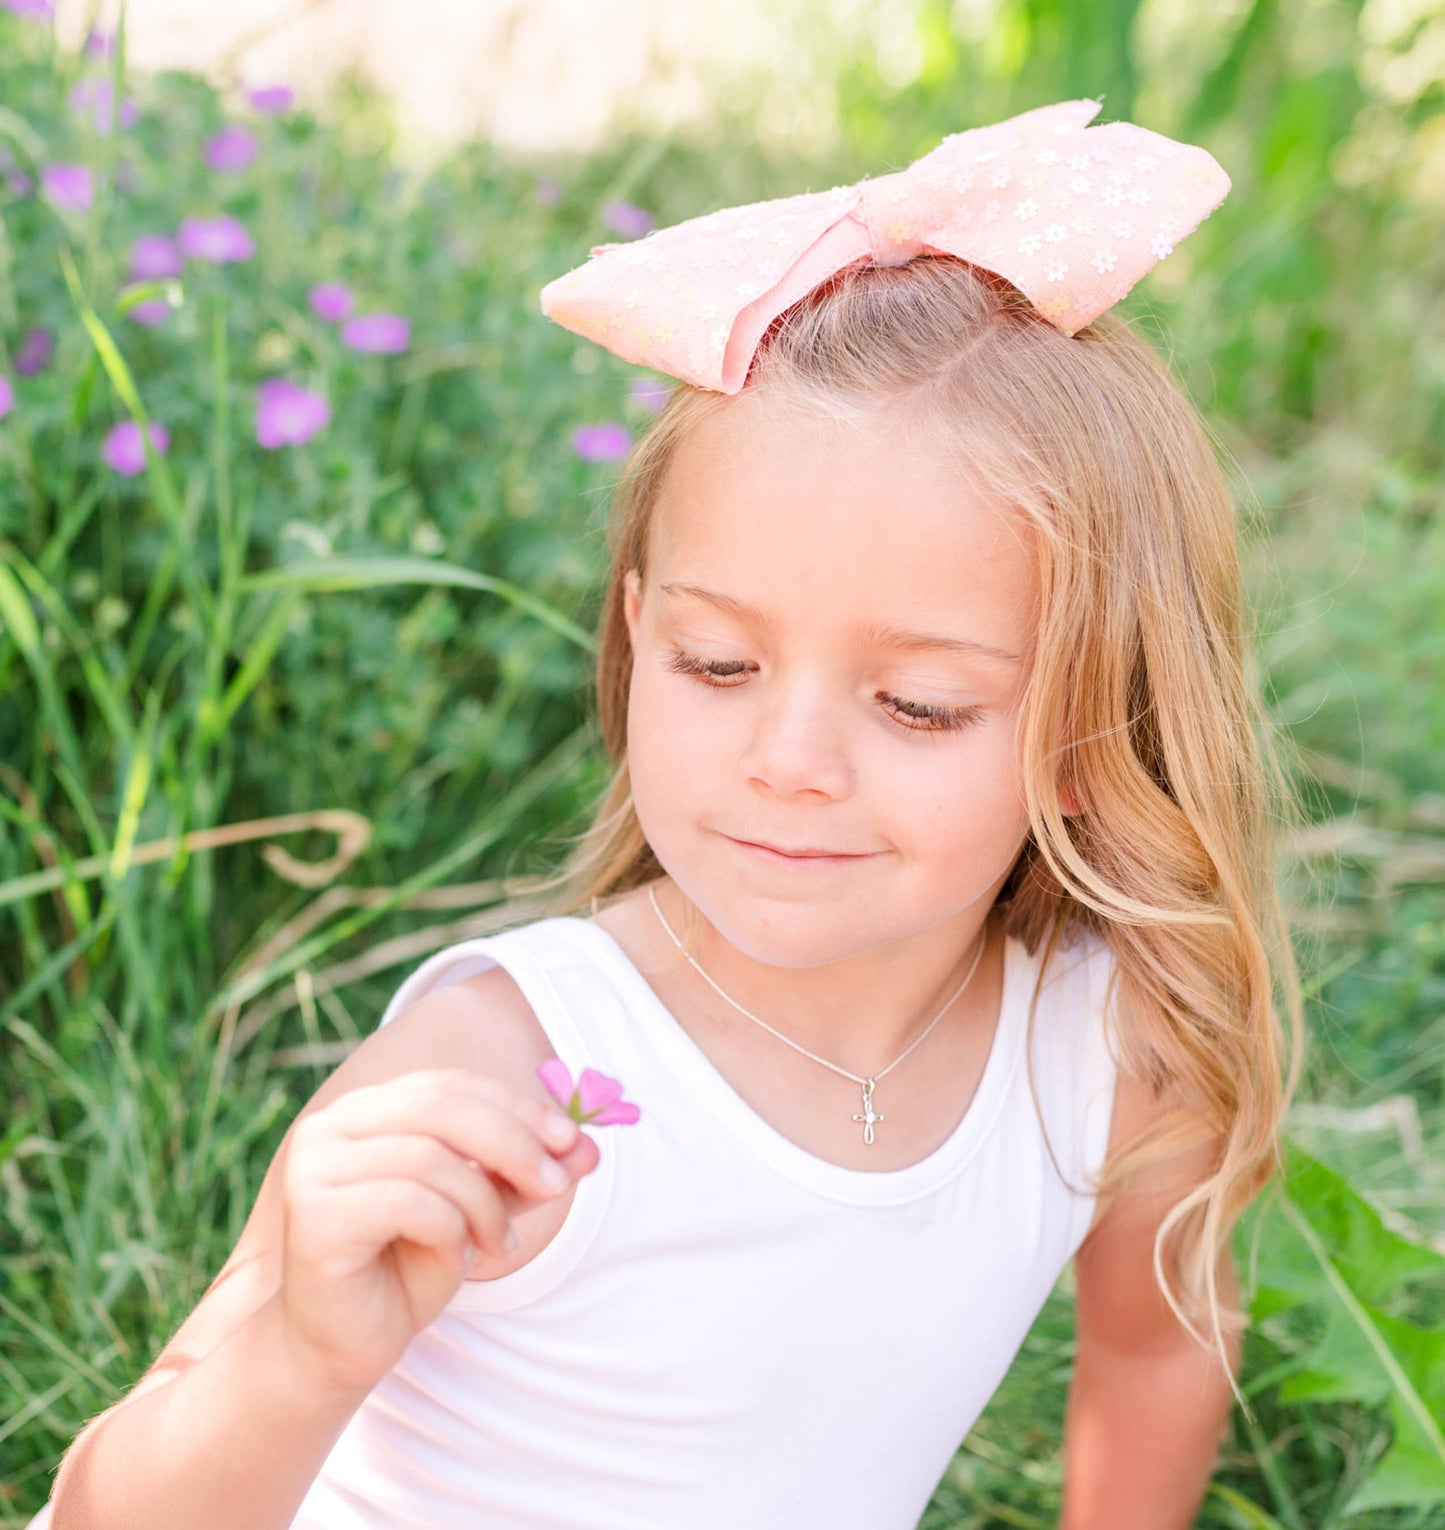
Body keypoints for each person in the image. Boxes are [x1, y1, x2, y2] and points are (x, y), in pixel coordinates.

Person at [44, 99, 1303, 1530]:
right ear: (638, 634)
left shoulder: (1106, 1056)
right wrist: (291, 1353)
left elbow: (1153, 1351)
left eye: (917, 704)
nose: (787, 757)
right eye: (717, 664)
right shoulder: (503, 1070)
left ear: (1095, 731)